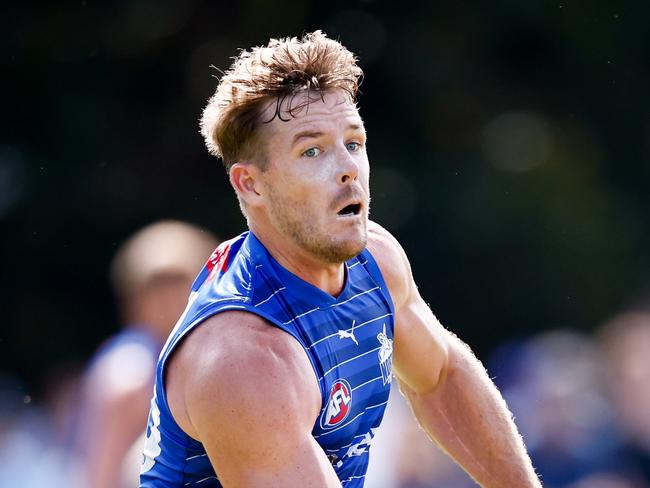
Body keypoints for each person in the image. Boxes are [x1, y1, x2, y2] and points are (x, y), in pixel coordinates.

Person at [139, 31, 541, 487]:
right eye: (311, 150)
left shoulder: (378, 260)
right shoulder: (244, 359)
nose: (348, 167)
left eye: (353, 142)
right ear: (251, 185)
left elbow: (443, 377)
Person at [73, 220, 217, 488]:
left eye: (178, 286)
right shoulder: (127, 373)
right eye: (157, 290)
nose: (170, 301)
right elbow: (102, 472)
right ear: (133, 302)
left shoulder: (221, 350)